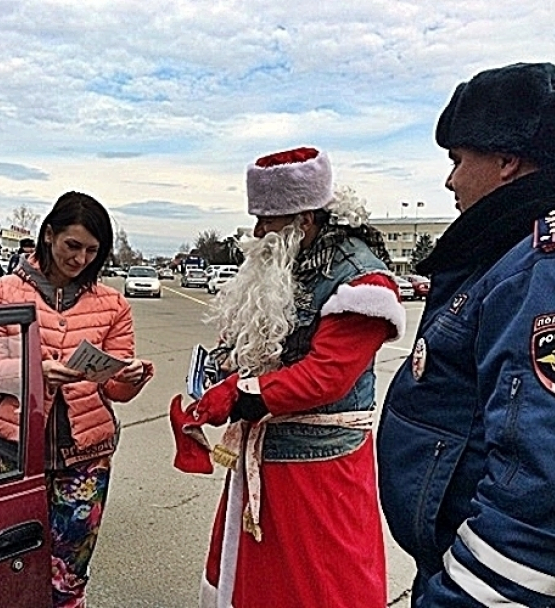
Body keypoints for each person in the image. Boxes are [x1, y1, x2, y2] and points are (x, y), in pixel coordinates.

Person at [377, 62, 555, 607]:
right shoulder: (521, 252)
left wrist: (459, 598)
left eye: (457, 160)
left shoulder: (549, 265)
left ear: (504, 161)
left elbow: (545, 495)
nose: (449, 180)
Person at [170, 147, 406, 608]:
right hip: (271, 458)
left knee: (321, 586)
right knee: (259, 584)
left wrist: (240, 395)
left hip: (319, 472)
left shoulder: (360, 282)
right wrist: (221, 377)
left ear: (305, 218)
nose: (257, 232)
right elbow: (270, 346)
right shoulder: (292, 262)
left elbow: (326, 377)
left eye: (266, 220)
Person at [0, 191, 154, 607]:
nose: (81, 259)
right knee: (11, 569)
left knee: (68, 575)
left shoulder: (112, 304)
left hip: (85, 459)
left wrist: (131, 377)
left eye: (93, 250)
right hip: (16, 454)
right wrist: (37, 374)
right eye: (73, 245)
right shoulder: (4, 292)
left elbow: (115, 392)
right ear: (49, 235)